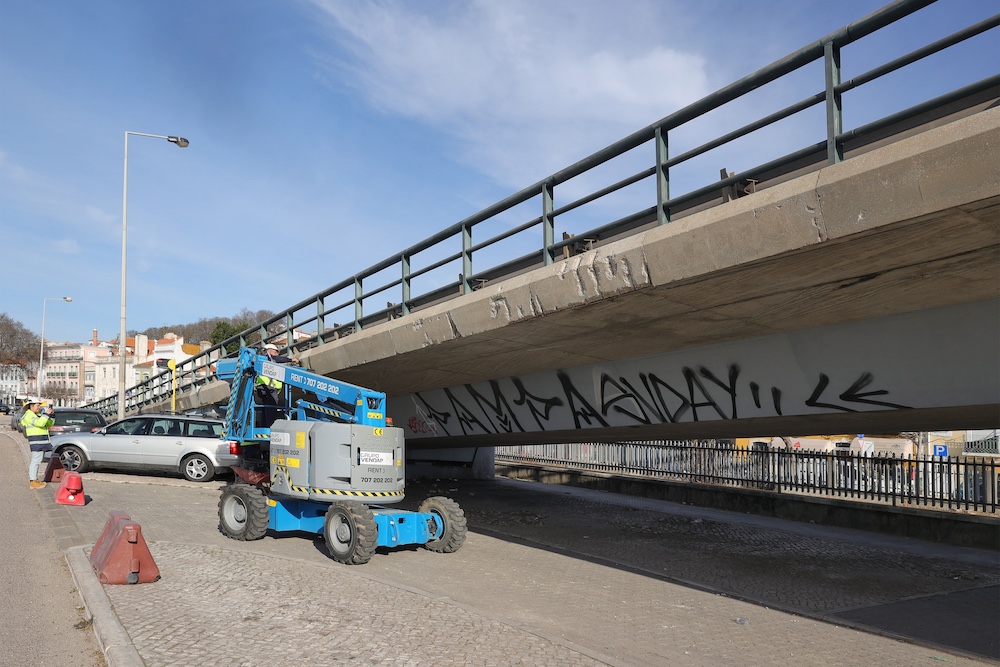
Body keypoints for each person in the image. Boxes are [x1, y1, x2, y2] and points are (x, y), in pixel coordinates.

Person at [255, 344, 299, 427]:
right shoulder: (268, 358)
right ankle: (270, 427)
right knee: (271, 408)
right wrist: (290, 359)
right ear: (268, 351)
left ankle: (264, 427)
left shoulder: (262, 361)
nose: (277, 354)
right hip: (268, 388)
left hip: (263, 388)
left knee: (266, 408)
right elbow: (277, 359)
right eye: (275, 352)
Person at [21, 399, 55, 489]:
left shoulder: (38, 415)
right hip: (36, 441)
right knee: (36, 460)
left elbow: (48, 424)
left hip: (41, 441)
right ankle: (33, 481)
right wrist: (46, 414)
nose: (39, 407)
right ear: (31, 406)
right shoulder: (29, 415)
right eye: (37, 405)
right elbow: (39, 423)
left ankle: (34, 480)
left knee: (37, 460)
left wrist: (51, 416)